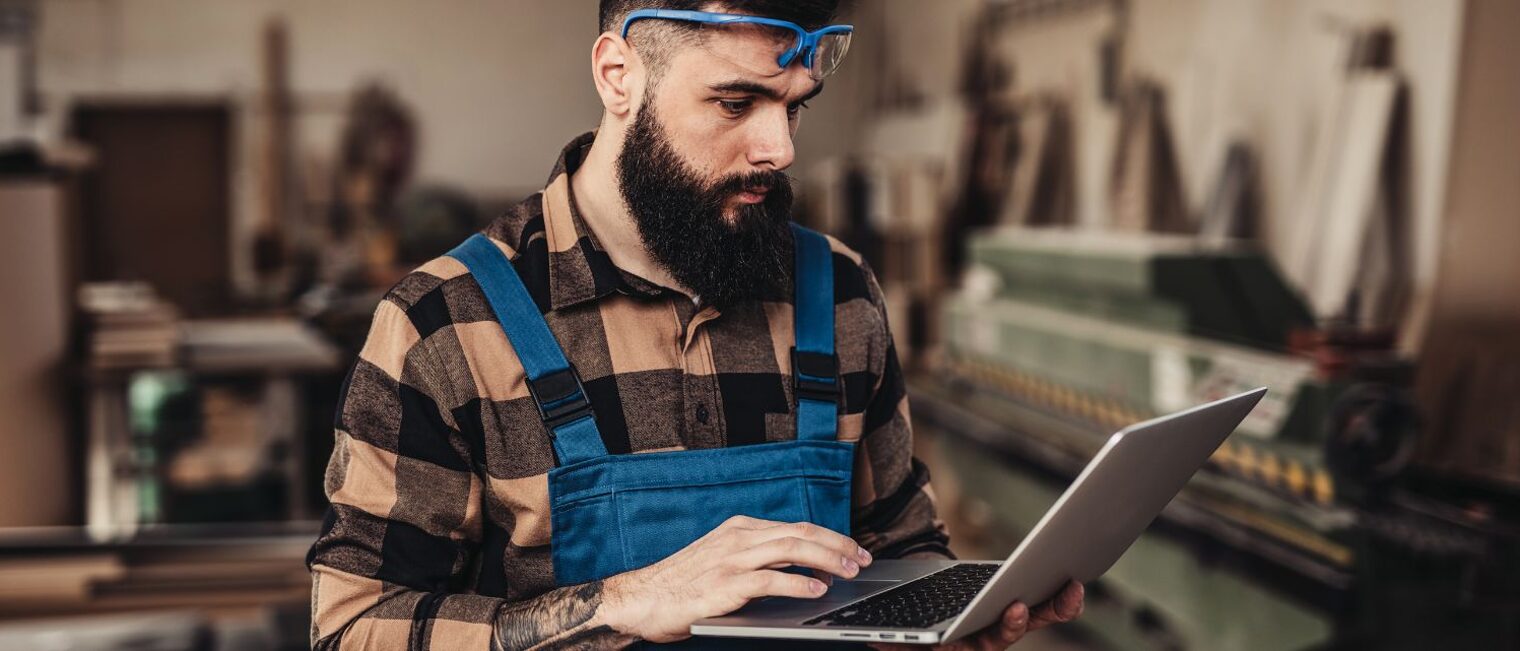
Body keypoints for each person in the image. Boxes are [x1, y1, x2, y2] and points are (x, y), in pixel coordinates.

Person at [307, 2, 1084, 649]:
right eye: (736, 103)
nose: (778, 149)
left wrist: (947, 618)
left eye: (794, 106)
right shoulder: (445, 325)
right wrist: (620, 600)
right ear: (619, 74)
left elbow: (901, 543)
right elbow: (353, 628)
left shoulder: (839, 292)